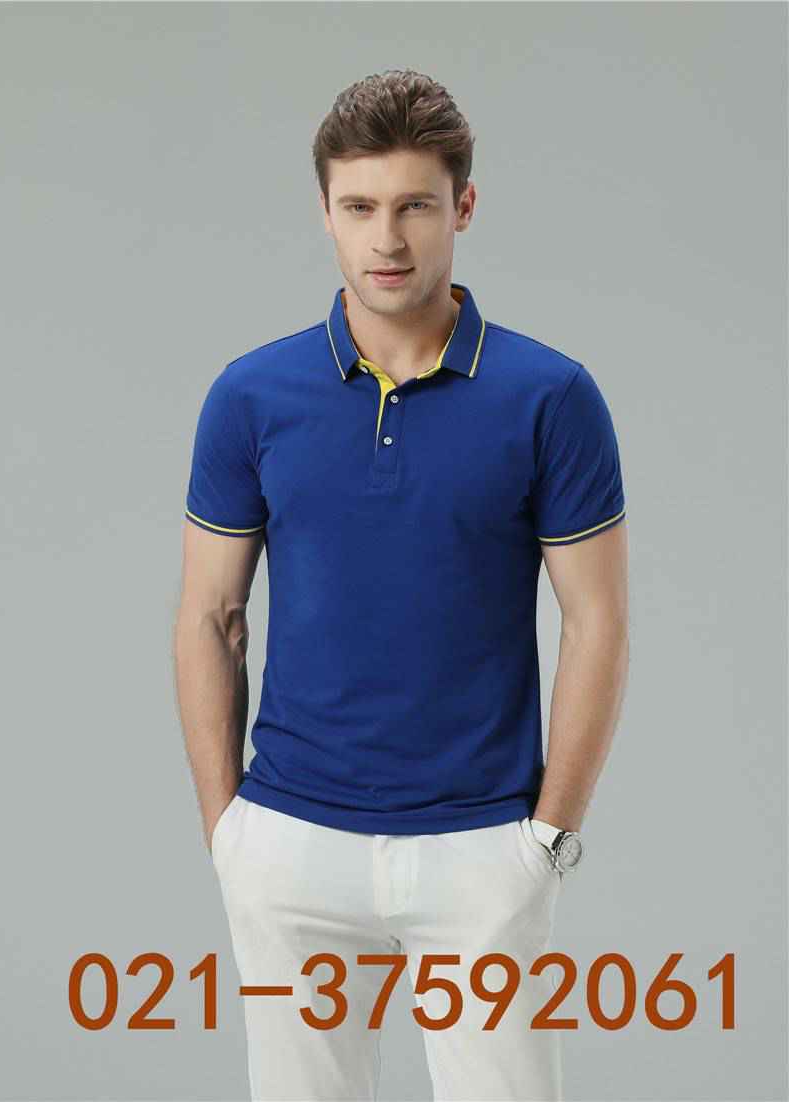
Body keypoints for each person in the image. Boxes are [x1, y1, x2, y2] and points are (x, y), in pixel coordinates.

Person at [174, 68, 629, 1102]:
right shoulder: (250, 397)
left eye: (415, 206)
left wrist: (548, 837)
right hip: (290, 843)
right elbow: (210, 615)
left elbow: (596, 620)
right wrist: (227, 830)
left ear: (462, 206)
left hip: (481, 849)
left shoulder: (550, 397)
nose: (387, 239)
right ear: (324, 212)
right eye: (360, 207)